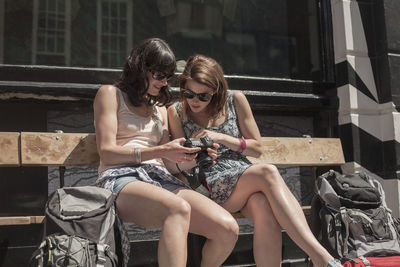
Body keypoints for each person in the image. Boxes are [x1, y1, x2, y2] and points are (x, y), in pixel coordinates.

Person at [168, 54, 342, 267]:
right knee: (267, 172)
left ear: (216, 91)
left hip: (243, 178)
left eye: (203, 96)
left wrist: (221, 138)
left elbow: (257, 148)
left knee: (263, 207)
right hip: (206, 183)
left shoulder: (235, 100)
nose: (195, 101)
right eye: (189, 94)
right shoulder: (176, 111)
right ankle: (320, 256)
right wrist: (197, 151)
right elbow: (179, 160)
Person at [94, 39, 239, 267]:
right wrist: (162, 150)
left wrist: (189, 158)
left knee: (227, 229)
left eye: (168, 77)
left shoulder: (160, 108)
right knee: (177, 208)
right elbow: (107, 153)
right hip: (120, 179)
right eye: (159, 75)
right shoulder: (110, 95)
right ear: (141, 68)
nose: (164, 83)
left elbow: (168, 164)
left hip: (160, 179)